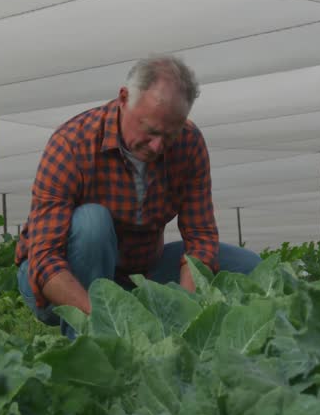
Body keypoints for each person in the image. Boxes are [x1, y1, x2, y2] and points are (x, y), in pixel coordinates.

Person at [14, 54, 261, 333]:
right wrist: (109, 319)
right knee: (92, 222)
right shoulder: (72, 143)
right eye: (150, 130)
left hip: (138, 272)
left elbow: (201, 239)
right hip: (60, 279)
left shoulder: (189, 144)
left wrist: (185, 311)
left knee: (248, 266)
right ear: (123, 98)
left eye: (169, 135)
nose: (157, 146)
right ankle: (88, 343)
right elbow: (45, 259)